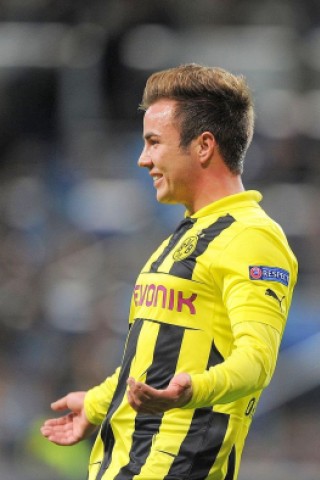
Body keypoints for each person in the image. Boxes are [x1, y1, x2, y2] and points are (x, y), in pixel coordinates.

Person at [41, 64, 298, 480]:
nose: (143, 160)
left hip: (176, 469)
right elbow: (150, 362)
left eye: (154, 142)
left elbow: (257, 362)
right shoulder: (182, 236)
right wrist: (98, 401)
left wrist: (191, 391)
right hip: (123, 465)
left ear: (203, 146)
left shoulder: (253, 237)